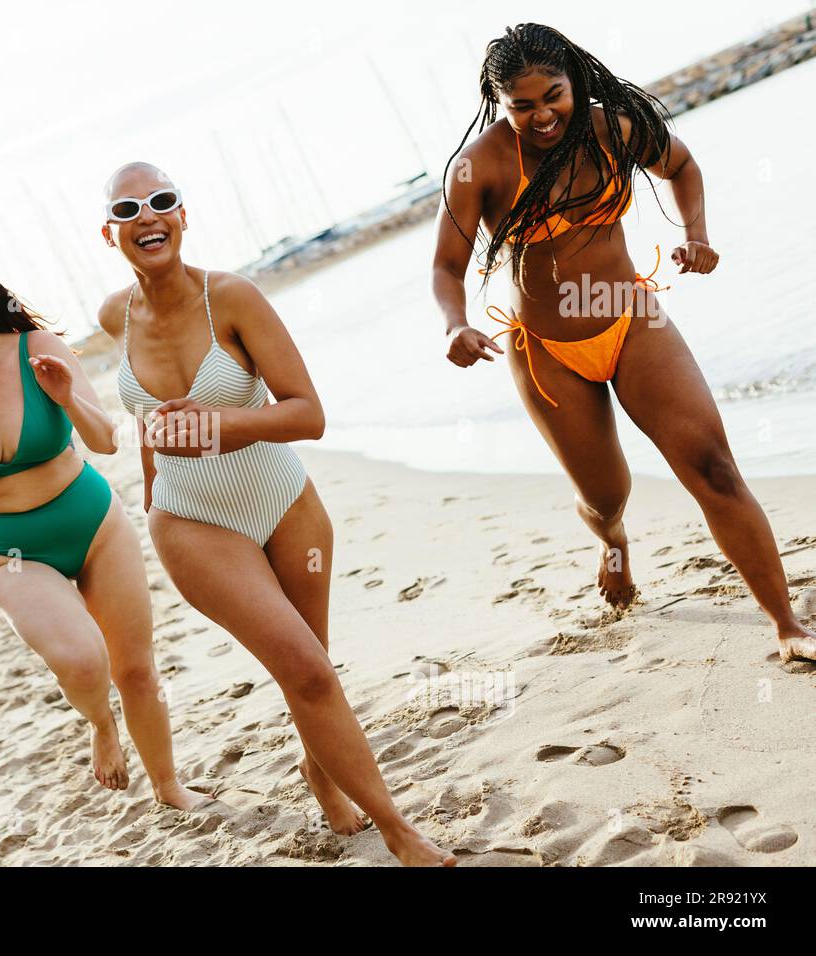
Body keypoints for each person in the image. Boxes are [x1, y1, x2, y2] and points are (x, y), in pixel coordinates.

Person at [98, 162, 455, 866]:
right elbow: (149, 420)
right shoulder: (114, 316)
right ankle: (401, 832)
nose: (148, 216)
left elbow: (308, 414)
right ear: (108, 231)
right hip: (194, 520)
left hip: (284, 503)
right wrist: (151, 487)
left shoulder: (231, 297)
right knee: (306, 671)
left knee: (313, 666)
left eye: (162, 201)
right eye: (129, 208)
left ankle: (319, 771)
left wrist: (216, 427)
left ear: (183, 216)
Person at [432, 23, 816, 665]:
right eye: (522, 106)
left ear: (573, 80)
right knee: (605, 496)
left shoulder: (615, 127)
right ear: (501, 104)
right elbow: (446, 266)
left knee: (711, 464)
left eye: (552, 95)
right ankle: (612, 541)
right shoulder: (484, 165)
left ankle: (786, 623)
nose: (542, 115)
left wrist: (697, 232)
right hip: (547, 350)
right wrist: (454, 324)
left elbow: (683, 165)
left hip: (633, 319)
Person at [0, 258, 205, 810]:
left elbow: (105, 440)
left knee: (135, 668)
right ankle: (103, 725)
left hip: (94, 524)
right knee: (82, 660)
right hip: (12, 552)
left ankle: (168, 787)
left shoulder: (41, 348)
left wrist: (65, 398)